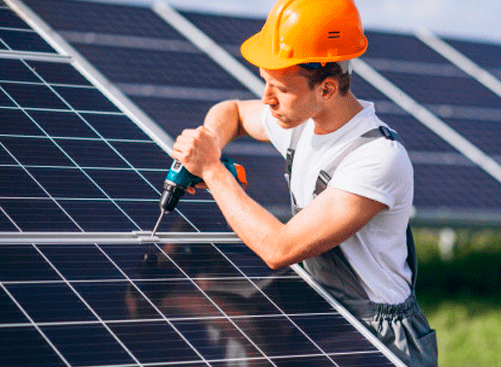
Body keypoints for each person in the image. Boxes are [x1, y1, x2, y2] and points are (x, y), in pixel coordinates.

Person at [170, 0, 437, 365]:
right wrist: (211, 142)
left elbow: (279, 248)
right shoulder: (301, 121)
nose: (267, 100)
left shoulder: (376, 158)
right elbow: (230, 110)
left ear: (326, 89)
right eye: (264, 82)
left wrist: (213, 171)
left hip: (377, 336)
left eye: (278, 88)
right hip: (325, 310)